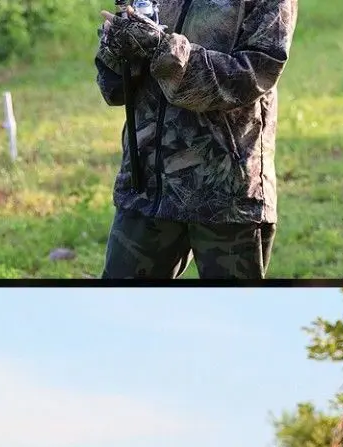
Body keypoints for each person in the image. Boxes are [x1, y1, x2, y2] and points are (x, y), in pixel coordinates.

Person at [95, 1, 298, 281]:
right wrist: (118, 48)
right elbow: (115, 89)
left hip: (226, 194)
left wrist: (163, 51)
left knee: (234, 318)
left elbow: (253, 74)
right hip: (146, 188)